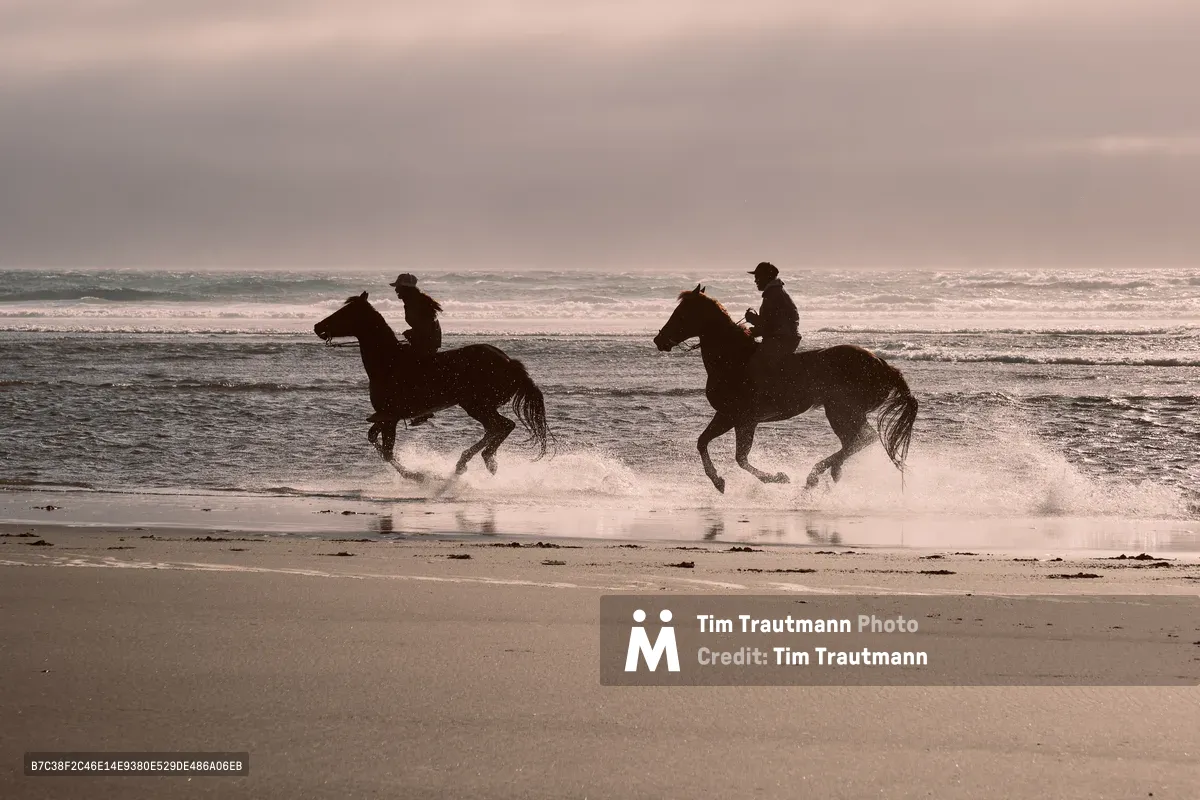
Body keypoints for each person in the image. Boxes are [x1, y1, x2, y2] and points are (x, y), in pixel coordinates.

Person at [743, 261, 801, 413]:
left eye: (758, 277)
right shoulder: (774, 292)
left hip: (782, 339)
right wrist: (752, 330)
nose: (755, 280)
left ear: (766, 277)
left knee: (756, 362)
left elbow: (767, 325)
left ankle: (768, 399)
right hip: (783, 336)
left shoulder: (773, 294)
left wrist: (751, 319)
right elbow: (769, 324)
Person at [388, 272, 443, 425]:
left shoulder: (415, 302)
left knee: (405, 367)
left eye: (398, 287)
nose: (396, 290)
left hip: (427, 342)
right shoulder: (413, 300)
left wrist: (410, 333)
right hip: (426, 340)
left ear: (405, 288)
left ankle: (423, 408)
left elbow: (425, 326)